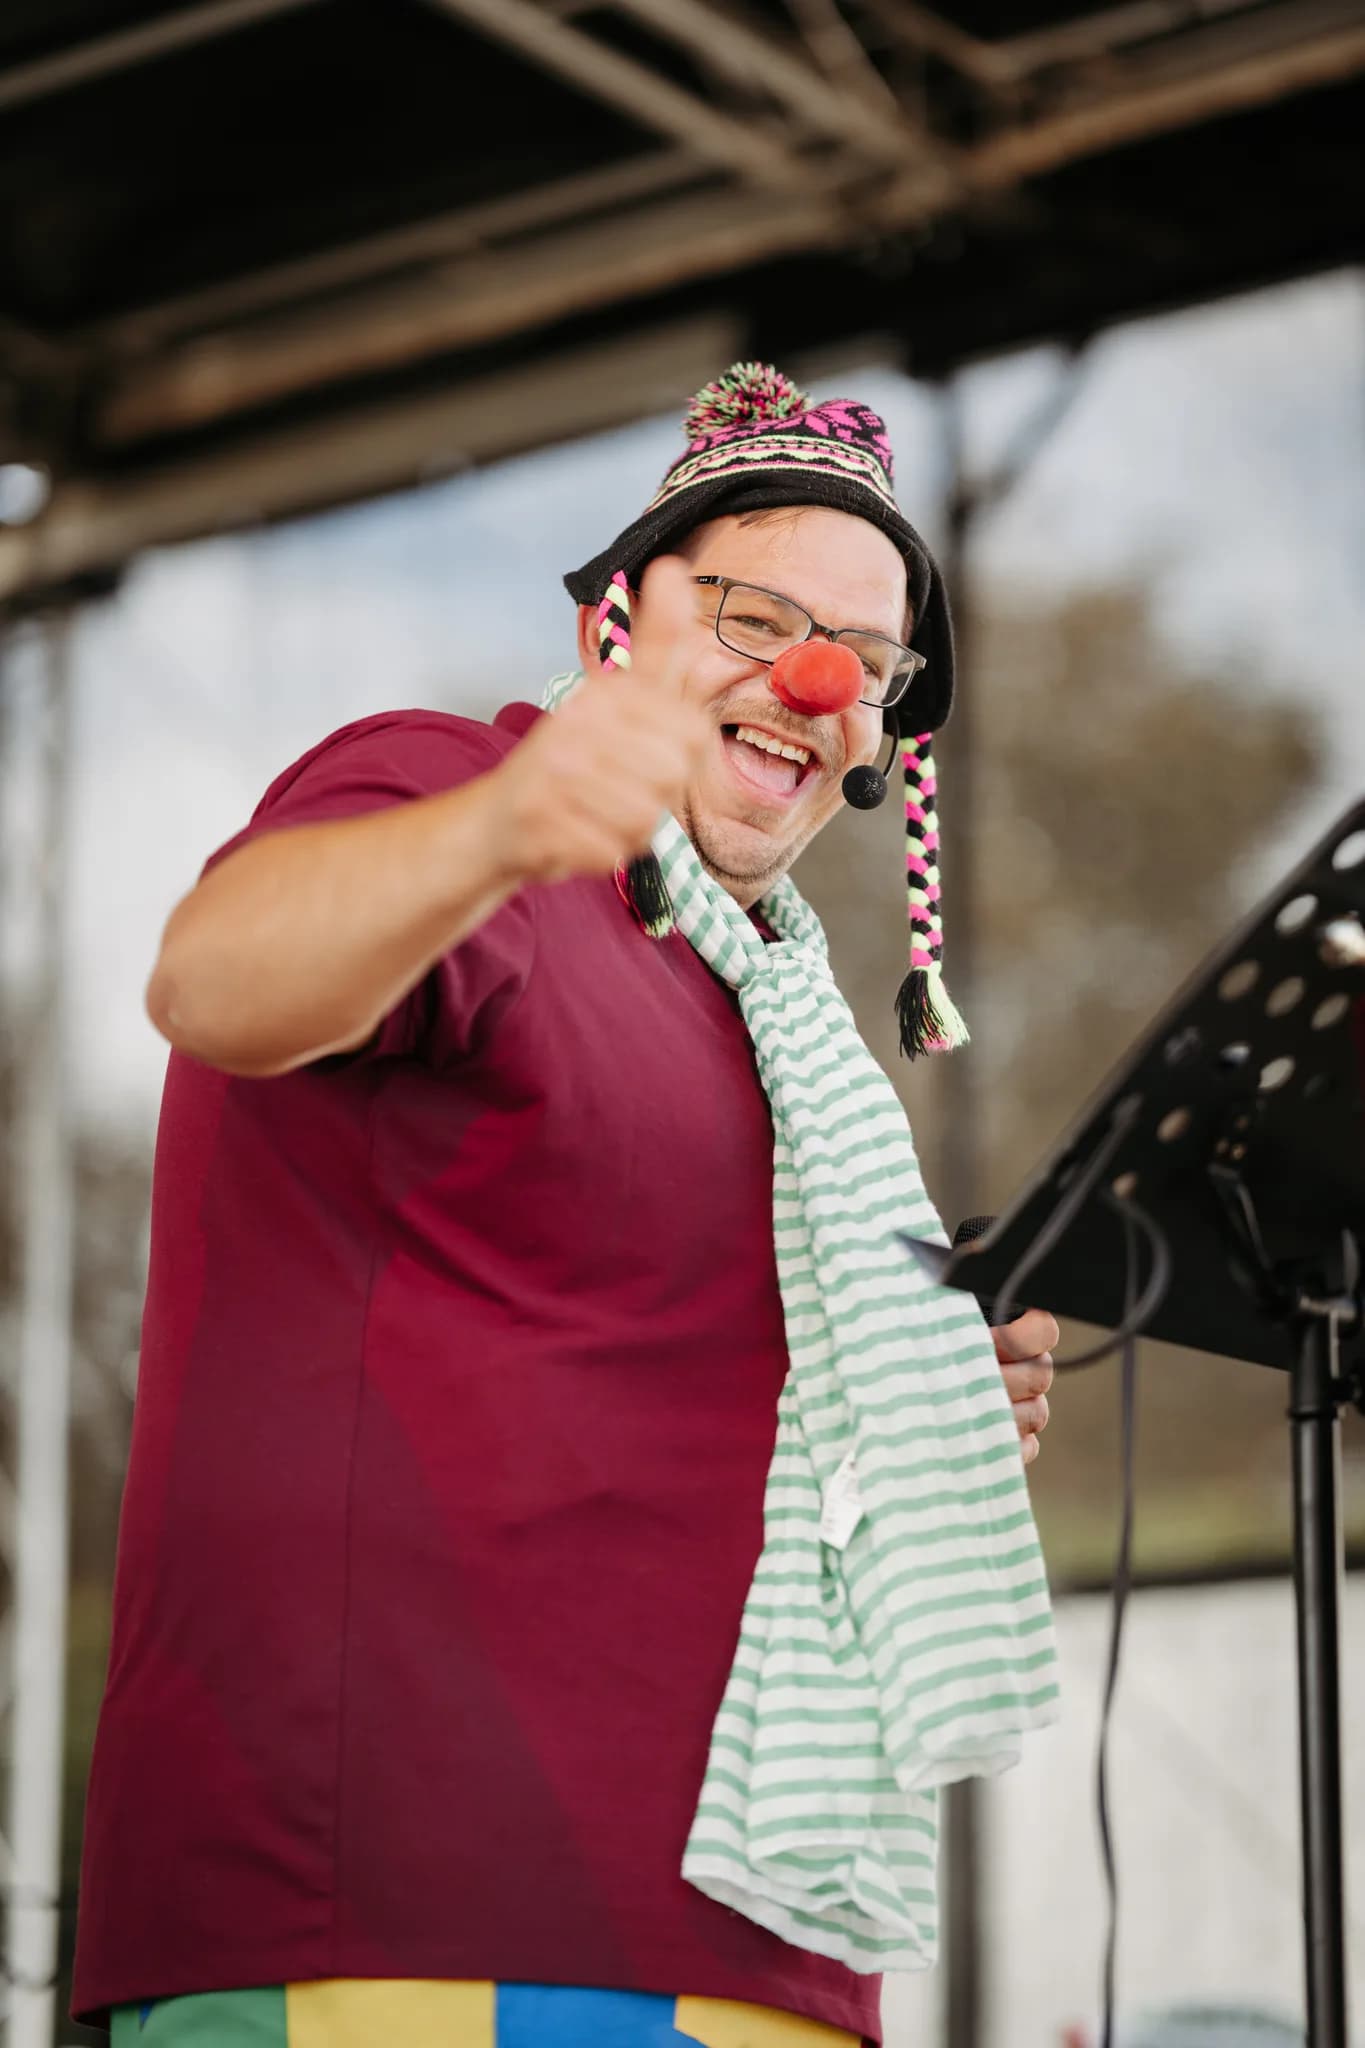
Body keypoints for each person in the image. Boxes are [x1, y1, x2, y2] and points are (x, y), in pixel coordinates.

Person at [73, 365, 1060, 2048]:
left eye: (869, 666)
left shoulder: (786, 1043)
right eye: (752, 611)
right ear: (619, 623)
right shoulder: (451, 796)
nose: (814, 684)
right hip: (408, 1920)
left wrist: (914, 1388)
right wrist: (502, 828)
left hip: (770, 1950)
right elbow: (215, 980)